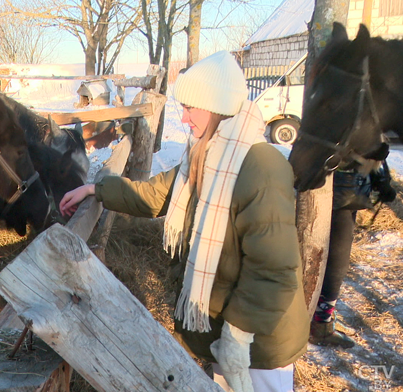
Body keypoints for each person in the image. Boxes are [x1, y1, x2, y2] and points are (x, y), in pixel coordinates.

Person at [59, 51, 309, 392]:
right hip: (227, 330)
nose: (185, 117)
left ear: (217, 106)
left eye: (191, 107)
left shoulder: (261, 166)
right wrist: (96, 188)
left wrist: (237, 336)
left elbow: (274, 269)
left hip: (258, 341)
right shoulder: (205, 153)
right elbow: (155, 194)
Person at [310, 160, 397, 348]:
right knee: (337, 261)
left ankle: (320, 316)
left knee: (334, 258)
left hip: (342, 187)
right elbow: (355, 146)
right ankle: (320, 324)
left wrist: (377, 176)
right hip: (339, 190)